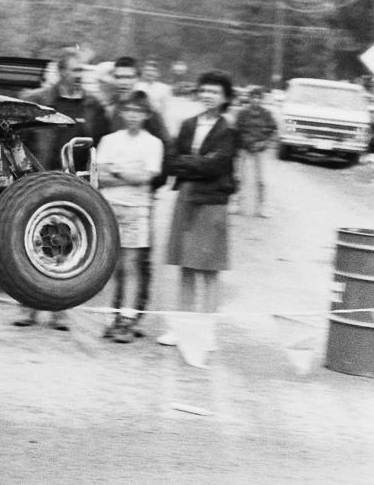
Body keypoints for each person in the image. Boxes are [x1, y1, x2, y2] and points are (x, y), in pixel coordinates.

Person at [12, 46, 110, 330]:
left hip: (75, 187)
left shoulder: (93, 105)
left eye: (83, 70)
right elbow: (17, 140)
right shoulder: (37, 101)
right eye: (77, 69)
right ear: (63, 71)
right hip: (39, 183)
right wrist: (24, 173)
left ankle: (59, 311)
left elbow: (101, 143)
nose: (81, 75)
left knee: (67, 248)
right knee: (27, 244)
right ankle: (27, 308)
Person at [157, 70, 237, 349]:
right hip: (187, 197)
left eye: (214, 91)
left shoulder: (228, 132)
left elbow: (217, 166)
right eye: (204, 90)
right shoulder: (188, 124)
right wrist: (196, 163)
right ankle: (182, 329)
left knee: (209, 269)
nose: (207, 95)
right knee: (187, 267)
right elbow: (171, 160)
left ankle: (207, 331)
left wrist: (189, 163)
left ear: (225, 97)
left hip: (212, 201)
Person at [96, 93, 164, 343]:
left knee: (132, 265)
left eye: (139, 111)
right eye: (129, 110)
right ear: (122, 112)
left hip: (137, 210)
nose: (133, 115)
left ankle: (126, 319)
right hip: (110, 206)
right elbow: (99, 176)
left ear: (146, 115)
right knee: (109, 266)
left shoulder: (153, 143)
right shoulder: (109, 140)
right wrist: (129, 173)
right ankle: (110, 318)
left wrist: (116, 170)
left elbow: (146, 177)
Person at [232, 86, 277, 217]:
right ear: (249, 98)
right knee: (239, 177)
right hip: (244, 148)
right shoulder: (242, 113)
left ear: (262, 99)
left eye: (258, 97)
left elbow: (273, 131)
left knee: (261, 179)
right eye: (253, 97)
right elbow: (236, 130)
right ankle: (236, 203)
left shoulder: (267, 115)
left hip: (261, 149)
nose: (256, 100)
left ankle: (262, 207)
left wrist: (264, 143)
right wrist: (245, 143)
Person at [134, 58, 173, 125]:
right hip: (139, 120)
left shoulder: (165, 88)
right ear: (143, 72)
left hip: (157, 120)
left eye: (153, 71)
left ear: (158, 73)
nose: (150, 73)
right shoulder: (137, 86)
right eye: (147, 70)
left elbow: (167, 108)